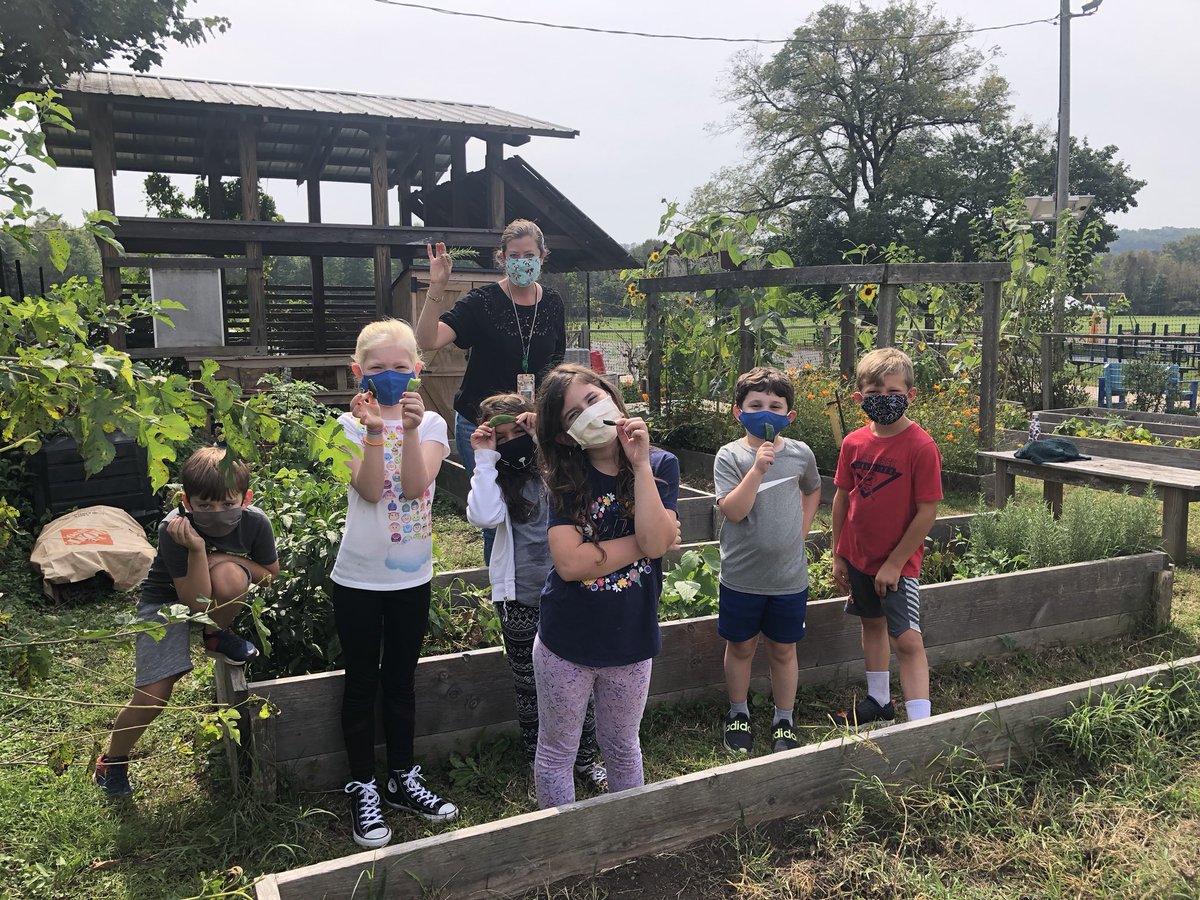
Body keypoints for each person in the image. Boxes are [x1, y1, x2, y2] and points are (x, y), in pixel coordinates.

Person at [330, 319, 458, 849]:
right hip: (357, 578)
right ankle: (363, 783)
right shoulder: (345, 425)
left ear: (417, 371)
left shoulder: (431, 425)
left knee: (401, 679)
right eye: (377, 368)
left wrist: (404, 428)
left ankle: (403, 776)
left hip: (411, 579)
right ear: (359, 372)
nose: (389, 375)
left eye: (399, 367)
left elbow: (412, 484)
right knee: (361, 681)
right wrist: (376, 429)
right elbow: (367, 491)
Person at [533, 364, 680, 808]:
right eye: (574, 413)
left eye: (593, 398)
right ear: (565, 436)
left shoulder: (659, 465)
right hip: (566, 641)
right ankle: (561, 843)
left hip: (630, 641)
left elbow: (657, 543)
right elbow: (571, 563)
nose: (590, 413)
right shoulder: (563, 479)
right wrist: (645, 542)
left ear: (613, 397)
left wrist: (638, 463)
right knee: (558, 750)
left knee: (622, 746)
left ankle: (626, 838)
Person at [93, 446, 278, 797]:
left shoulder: (255, 521)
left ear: (246, 497)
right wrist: (196, 550)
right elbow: (193, 601)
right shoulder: (174, 528)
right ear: (187, 501)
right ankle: (112, 762)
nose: (217, 512)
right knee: (153, 696)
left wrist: (220, 556)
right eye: (205, 506)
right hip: (165, 604)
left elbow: (269, 576)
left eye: (227, 503)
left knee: (232, 577)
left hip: (214, 600)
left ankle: (216, 635)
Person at [464, 392, 607, 798]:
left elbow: (587, 470)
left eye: (518, 431)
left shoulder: (555, 470)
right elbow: (485, 515)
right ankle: (539, 762)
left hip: (569, 596)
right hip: (521, 601)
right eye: (501, 435)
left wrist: (545, 437)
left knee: (581, 682)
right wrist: (485, 458)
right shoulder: (496, 481)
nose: (512, 440)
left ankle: (585, 759)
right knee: (529, 688)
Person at [414, 220, 566, 563]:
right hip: (481, 425)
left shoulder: (553, 304)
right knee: (493, 512)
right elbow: (426, 342)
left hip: (531, 423)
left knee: (539, 503)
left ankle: (534, 583)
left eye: (529, 255)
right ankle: (502, 593)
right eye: (514, 255)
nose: (522, 262)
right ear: (502, 258)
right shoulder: (481, 302)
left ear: (543, 256)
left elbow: (556, 369)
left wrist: (550, 417)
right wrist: (437, 286)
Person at [831, 348, 942, 729]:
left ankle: (919, 724)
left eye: (892, 392)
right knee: (871, 624)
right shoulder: (853, 443)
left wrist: (895, 563)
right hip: (859, 557)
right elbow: (843, 497)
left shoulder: (921, 446)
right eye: (874, 394)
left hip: (898, 565)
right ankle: (879, 701)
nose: (883, 400)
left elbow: (927, 510)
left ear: (910, 394)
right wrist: (838, 553)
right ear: (860, 397)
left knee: (907, 640)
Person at [714, 367, 822, 755]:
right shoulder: (731, 456)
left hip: (788, 579)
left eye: (775, 406)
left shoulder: (800, 454)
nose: (765, 412)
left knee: (783, 649)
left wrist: (803, 529)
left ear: (789, 416)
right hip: (741, 577)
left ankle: (784, 718)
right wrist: (758, 469)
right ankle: (738, 711)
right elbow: (734, 511)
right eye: (755, 405)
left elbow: (813, 488)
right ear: (738, 412)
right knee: (741, 647)